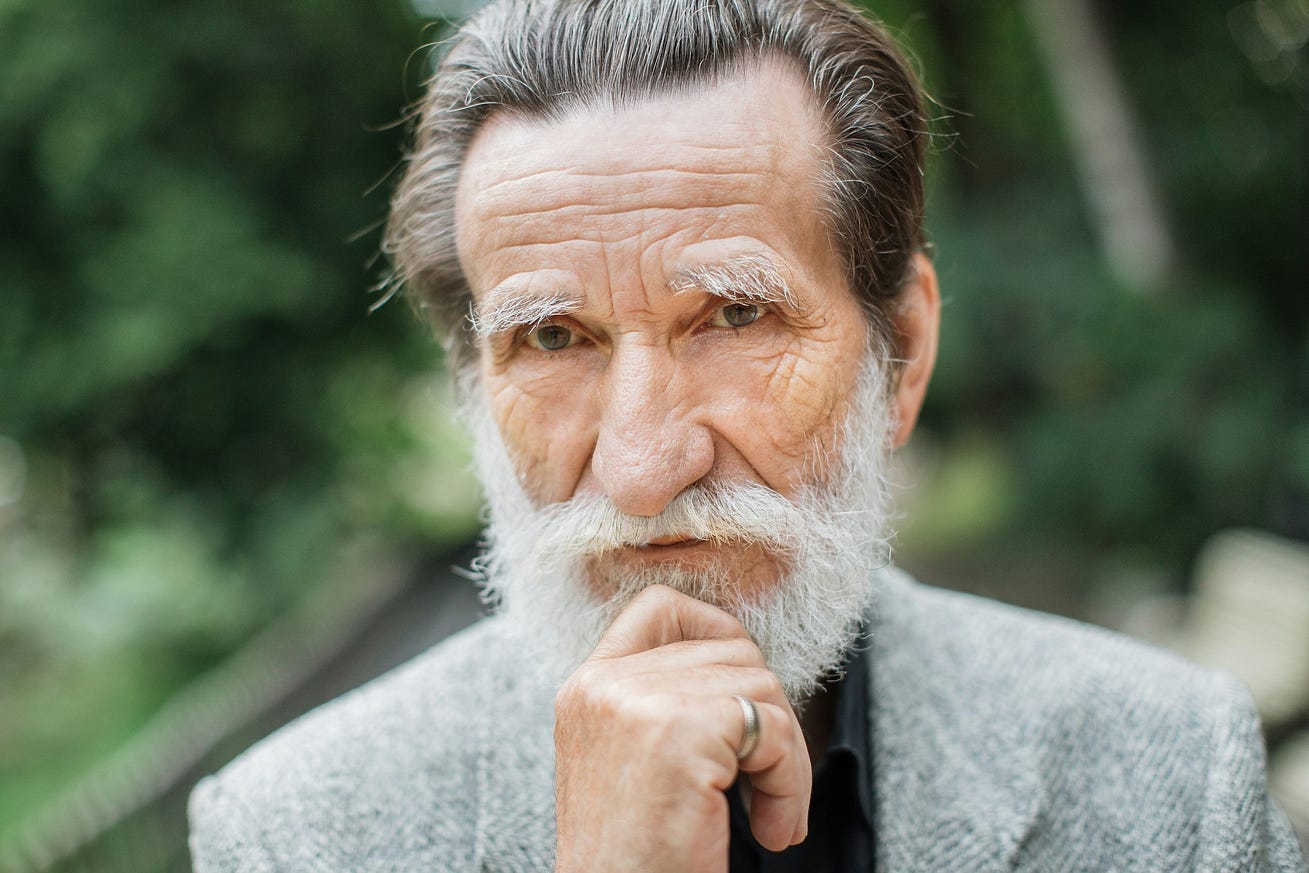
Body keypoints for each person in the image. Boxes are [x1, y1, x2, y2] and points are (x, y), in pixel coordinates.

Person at [188, 1, 1308, 870]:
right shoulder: (294, 834)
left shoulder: (1165, 769)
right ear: (475, 385)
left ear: (901, 355)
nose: (640, 470)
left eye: (734, 315)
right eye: (553, 337)